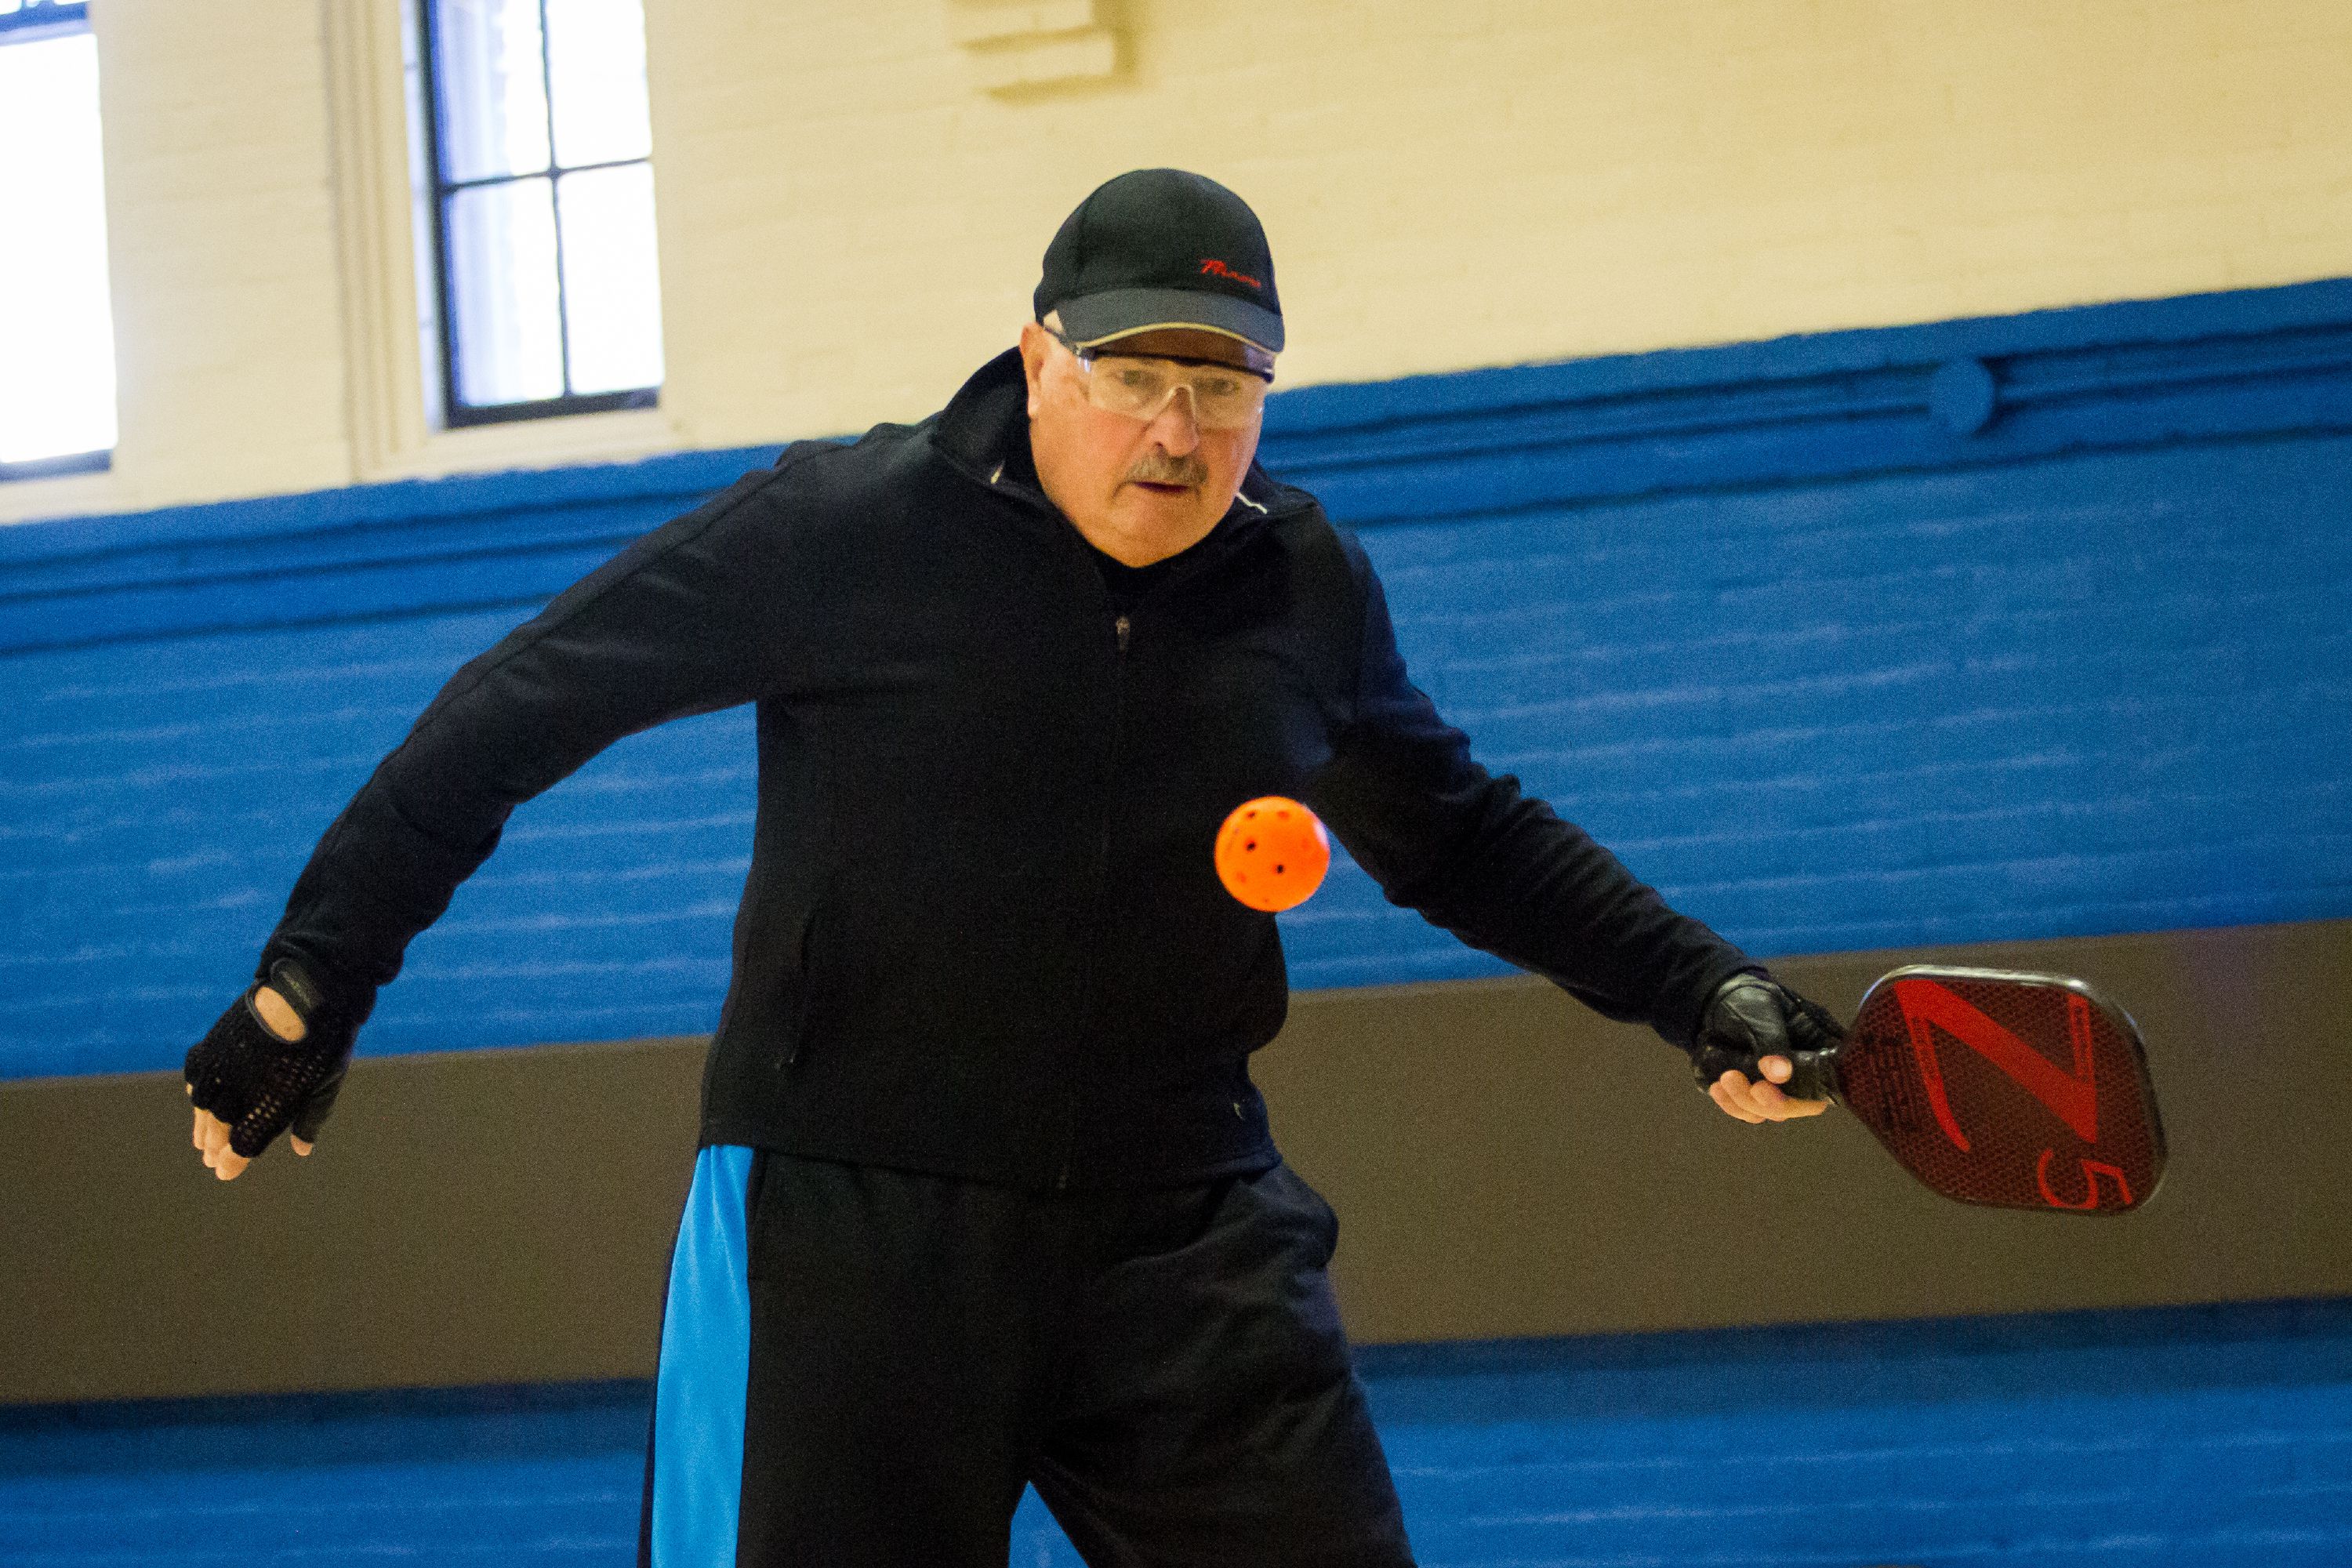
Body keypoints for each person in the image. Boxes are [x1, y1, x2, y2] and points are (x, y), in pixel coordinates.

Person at [184, 169, 1835, 1567]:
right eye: (1135, 374)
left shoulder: (1302, 585)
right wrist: (308, 985)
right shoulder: (845, 534)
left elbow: (1465, 836)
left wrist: (1700, 987)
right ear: (1040, 358)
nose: (1181, 429)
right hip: (850, 1232)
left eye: (1226, 383)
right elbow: (510, 717)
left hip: (1185, 1238)